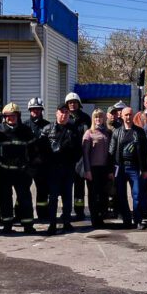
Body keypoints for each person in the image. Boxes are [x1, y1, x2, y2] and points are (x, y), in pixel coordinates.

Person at [0, 103, 36, 234]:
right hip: (3, 172)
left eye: (13, 116)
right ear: (4, 117)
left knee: (25, 199)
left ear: (18, 116)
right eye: (8, 116)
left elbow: (33, 151)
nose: (11, 118)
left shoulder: (26, 131)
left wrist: (31, 168)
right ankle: (7, 225)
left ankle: (28, 225)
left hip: (22, 172)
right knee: (5, 199)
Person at [42, 103, 82, 235]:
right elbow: (41, 150)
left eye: (66, 112)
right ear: (56, 113)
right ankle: (52, 224)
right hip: (52, 170)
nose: (64, 114)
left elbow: (78, 150)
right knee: (53, 198)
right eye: (61, 112)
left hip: (68, 169)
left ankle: (66, 221)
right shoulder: (47, 129)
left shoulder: (73, 130)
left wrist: (72, 161)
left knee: (67, 197)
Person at [109, 106, 147, 228]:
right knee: (121, 195)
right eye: (126, 115)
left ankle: (138, 220)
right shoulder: (117, 132)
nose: (128, 117)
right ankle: (127, 219)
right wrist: (110, 170)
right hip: (120, 168)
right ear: (121, 116)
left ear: (133, 116)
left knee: (137, 194)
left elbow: (145, 152)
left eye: (130, 115)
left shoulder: (139, 132)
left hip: (134, 168)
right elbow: (111, 152)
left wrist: (145, 169)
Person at [82, 108, 113, 228]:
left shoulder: (108, 132)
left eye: (100, 117)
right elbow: (85, 154)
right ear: (93, 119)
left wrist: (110, 170)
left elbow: (111, 153)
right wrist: (87, 170)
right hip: (93, 169)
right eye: (96, 117)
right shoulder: (89, 133)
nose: (98, 119)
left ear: (104, 118)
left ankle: (101, 217)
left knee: (103, 195)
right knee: (93, 195)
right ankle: (95, 219)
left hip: (104, 169)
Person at [65, 92, 91, 221]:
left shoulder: (86, 118)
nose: (72, 105)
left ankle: (79, 211)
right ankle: (67, 211)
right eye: (70, 103)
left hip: (81, 156)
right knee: (67, 186)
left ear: (79, 104)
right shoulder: (65, 118)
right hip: (68, 157)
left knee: (80, 186)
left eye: (74, 102)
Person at [25, 97, 51, 220]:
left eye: (38, 109)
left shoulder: (48, 125)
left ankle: (43, 214)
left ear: (42, 110)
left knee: (42, 190)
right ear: (30, 110)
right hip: (27, 164)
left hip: (42, 164)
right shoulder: (24, 126)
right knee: (23, 190)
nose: (35, 111)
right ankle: (22, 214)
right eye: (33, 109)